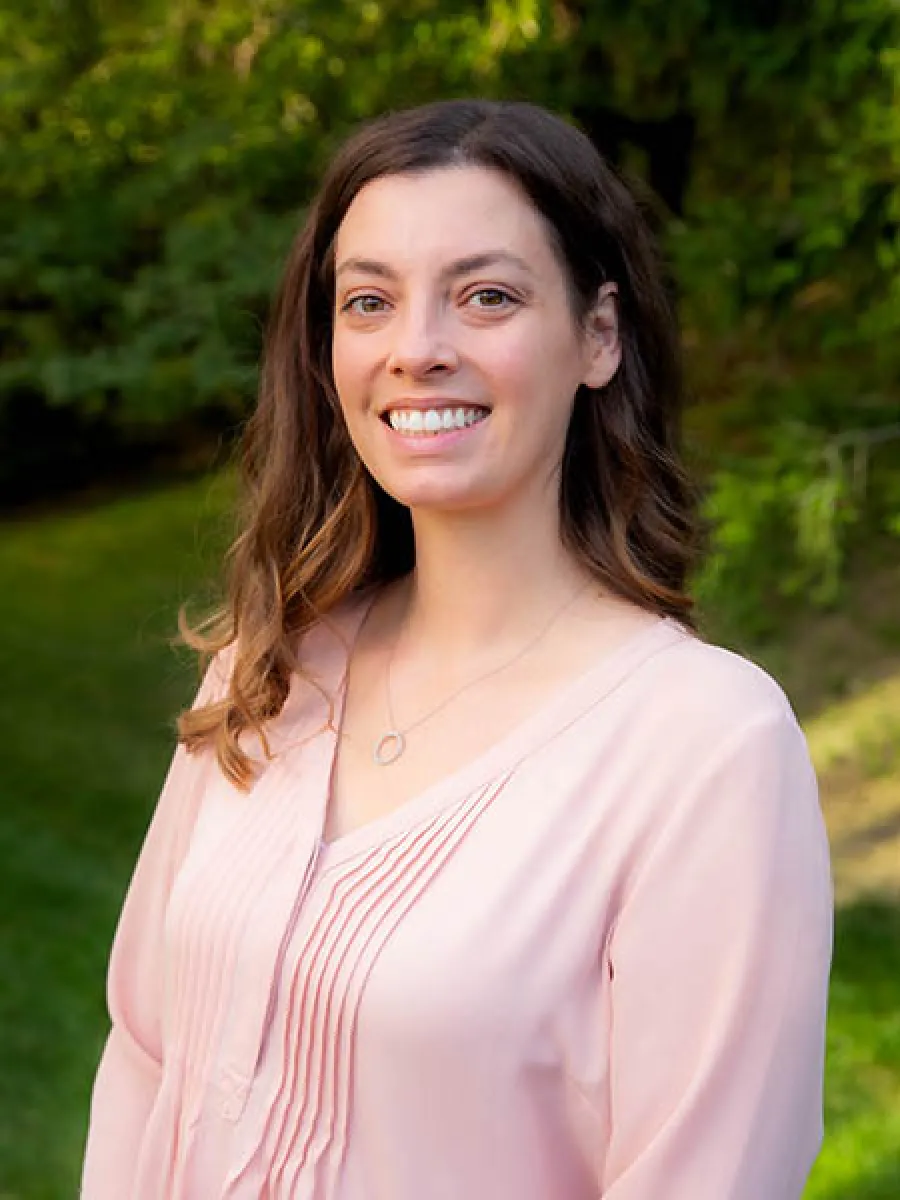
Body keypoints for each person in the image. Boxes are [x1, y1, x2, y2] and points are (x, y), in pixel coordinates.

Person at [81, 99, 833, 1200]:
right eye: (370, 301)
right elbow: (144, 1057)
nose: (417, 350)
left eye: (486, 296)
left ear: (598, 336)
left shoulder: (705, 745)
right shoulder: (265, 671)